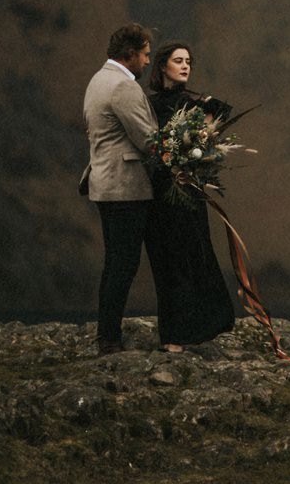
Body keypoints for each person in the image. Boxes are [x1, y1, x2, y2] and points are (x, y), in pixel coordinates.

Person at [144, 41, 235, 352]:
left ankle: (201, 327)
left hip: (188, 191)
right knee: (168, 260)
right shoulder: (149, 104)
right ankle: (174, 334)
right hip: (160, 194)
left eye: (188, 62)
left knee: (195, 253)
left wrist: (198, 154)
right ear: (162, 66)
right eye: (178, 60)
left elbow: (222, 114)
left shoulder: (195, 102)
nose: (185, 66)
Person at [81, 23, 159, 355]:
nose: (147, 61)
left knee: (115, 262)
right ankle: (109, 339)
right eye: (144, 54)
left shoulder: (98, 80)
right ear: (129, 55)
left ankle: (107, 334)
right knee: (123, 264)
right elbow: (147, 138)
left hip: (104, 183)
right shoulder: (123, 88)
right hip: (125, 187)